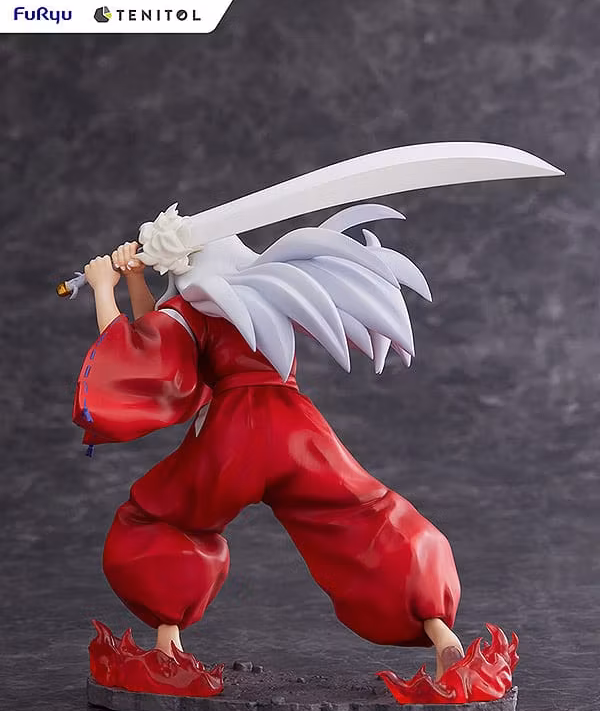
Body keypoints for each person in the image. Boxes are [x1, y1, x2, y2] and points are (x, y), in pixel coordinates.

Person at [75, 218, 464, 685]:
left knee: (164, 520)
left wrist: (104, 287)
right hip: (297, 430)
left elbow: (145, 353)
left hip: (231, 435)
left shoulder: (195, 310)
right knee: (366, 515)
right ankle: (437, 628)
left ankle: (167, 644)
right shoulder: (266, 296)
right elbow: (160, 329)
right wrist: (137, 279)